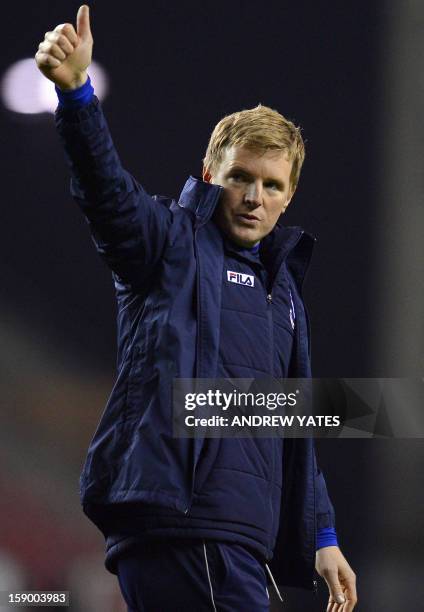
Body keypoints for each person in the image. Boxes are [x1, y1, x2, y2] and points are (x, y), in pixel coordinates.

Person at [35, 5, 357, 611]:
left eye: (273, 185)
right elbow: (107, 193)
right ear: (210, 174)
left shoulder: (282, 293)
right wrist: (77, 96)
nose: (255, 198)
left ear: (290, 196)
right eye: (241, 178)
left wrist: (323, 535)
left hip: (235, 540)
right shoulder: (171, 243)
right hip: (185, 527)